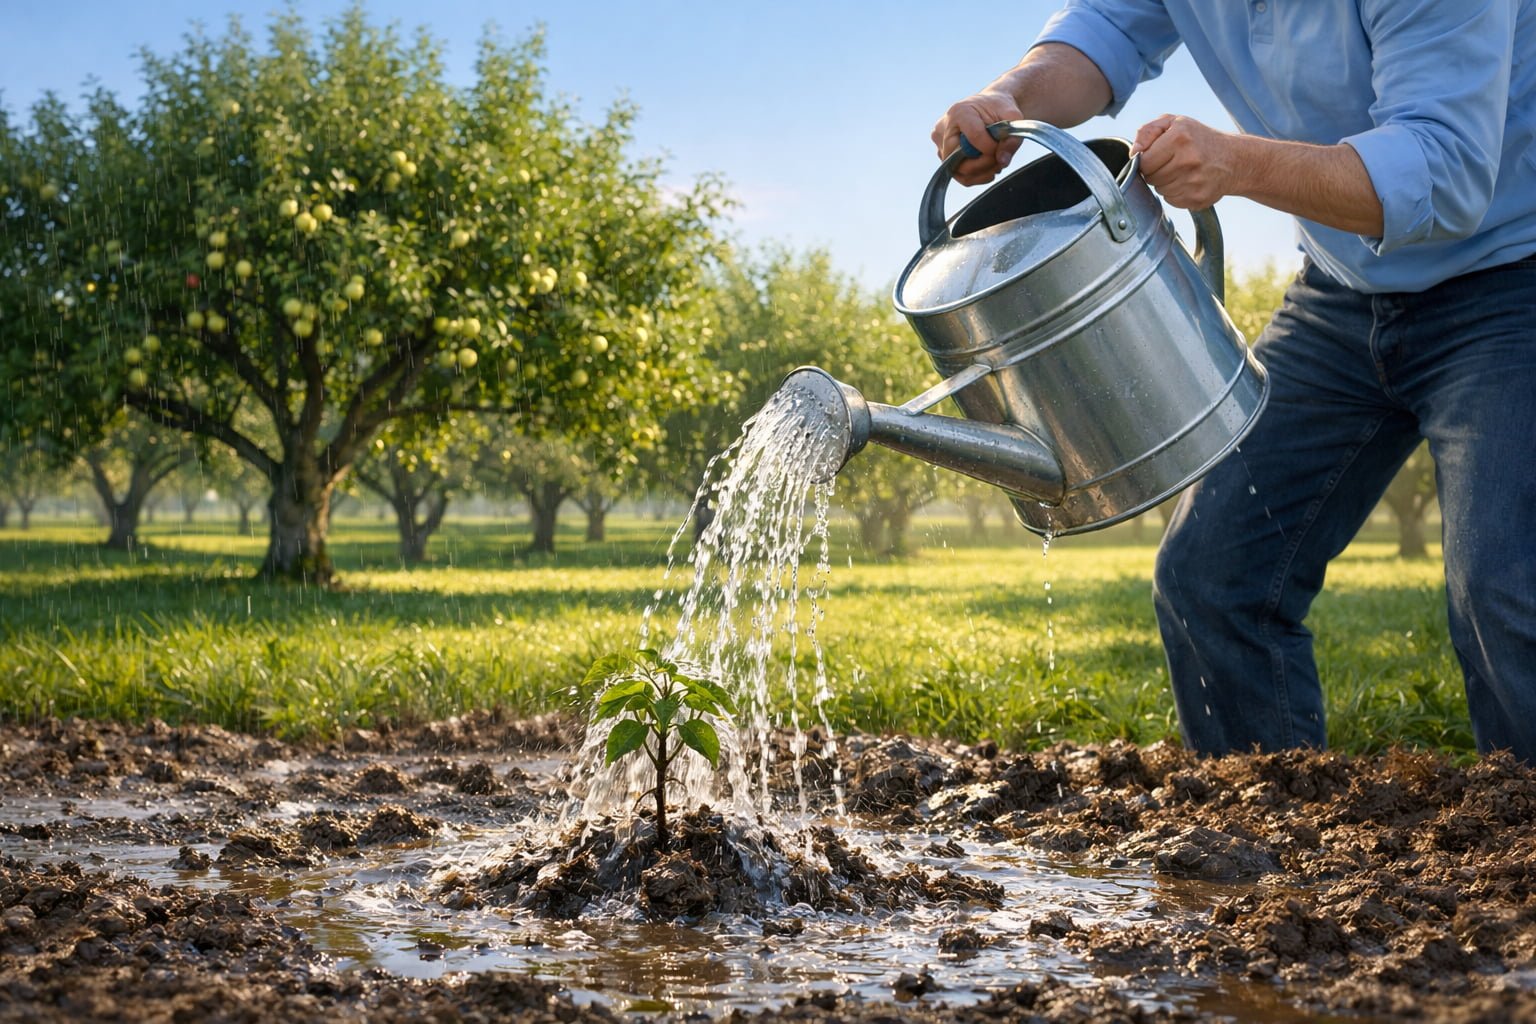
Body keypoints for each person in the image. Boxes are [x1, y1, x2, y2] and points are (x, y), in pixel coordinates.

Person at [931, 1, 1536, 760]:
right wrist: (1012, 97)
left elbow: (1444, 171)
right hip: (1343, 288)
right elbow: (1109, 29)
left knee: (1509, 593)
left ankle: (1515, 862)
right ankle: (1259, 858)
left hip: (1514, 273)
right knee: (1213, 575)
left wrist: (1241, 164)